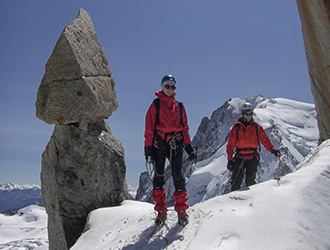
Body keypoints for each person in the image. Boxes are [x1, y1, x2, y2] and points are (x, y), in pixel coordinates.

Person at [144, 74, 196, 226]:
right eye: (167, 86)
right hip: (159, 144)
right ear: (162, 87)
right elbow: (149, 128)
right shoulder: (156, 105)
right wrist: (148, 149)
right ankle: (161, 211)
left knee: (177, 175)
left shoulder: (180, 106)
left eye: (172, 87)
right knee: (159, 177)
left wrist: (189, 147)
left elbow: (185, 128)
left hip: (176, 143)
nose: (170, 89)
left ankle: (181, 211)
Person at [226, 103, 280, 191]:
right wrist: (230, 159)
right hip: (239, 158)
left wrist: (273, 150)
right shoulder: (237, 127)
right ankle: (234, 202)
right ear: (243, 114)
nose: (249, 116)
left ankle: (250, 202)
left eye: (250, 113)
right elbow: (230, 145)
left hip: (252, 157)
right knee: (236, 183)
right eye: (247, 114)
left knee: (251, 183)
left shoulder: (256, 127)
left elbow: (265, 140)